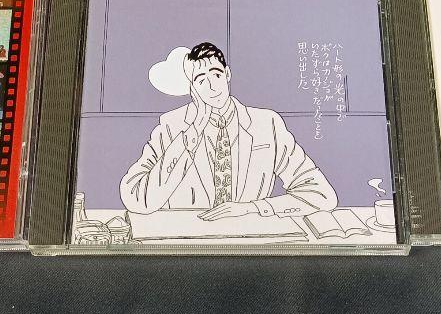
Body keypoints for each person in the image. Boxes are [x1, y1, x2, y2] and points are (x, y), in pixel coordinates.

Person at [120, 42, 338, 219]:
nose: (212, 86)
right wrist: (192, 134)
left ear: (227, 74)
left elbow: (321, 193)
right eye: (201, 80)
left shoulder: (266, 124)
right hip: (188, 245)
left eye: (216, 75)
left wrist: (254, 208)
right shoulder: (172, 126)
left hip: (253, 242)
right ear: (192, 88)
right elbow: (136, 198)